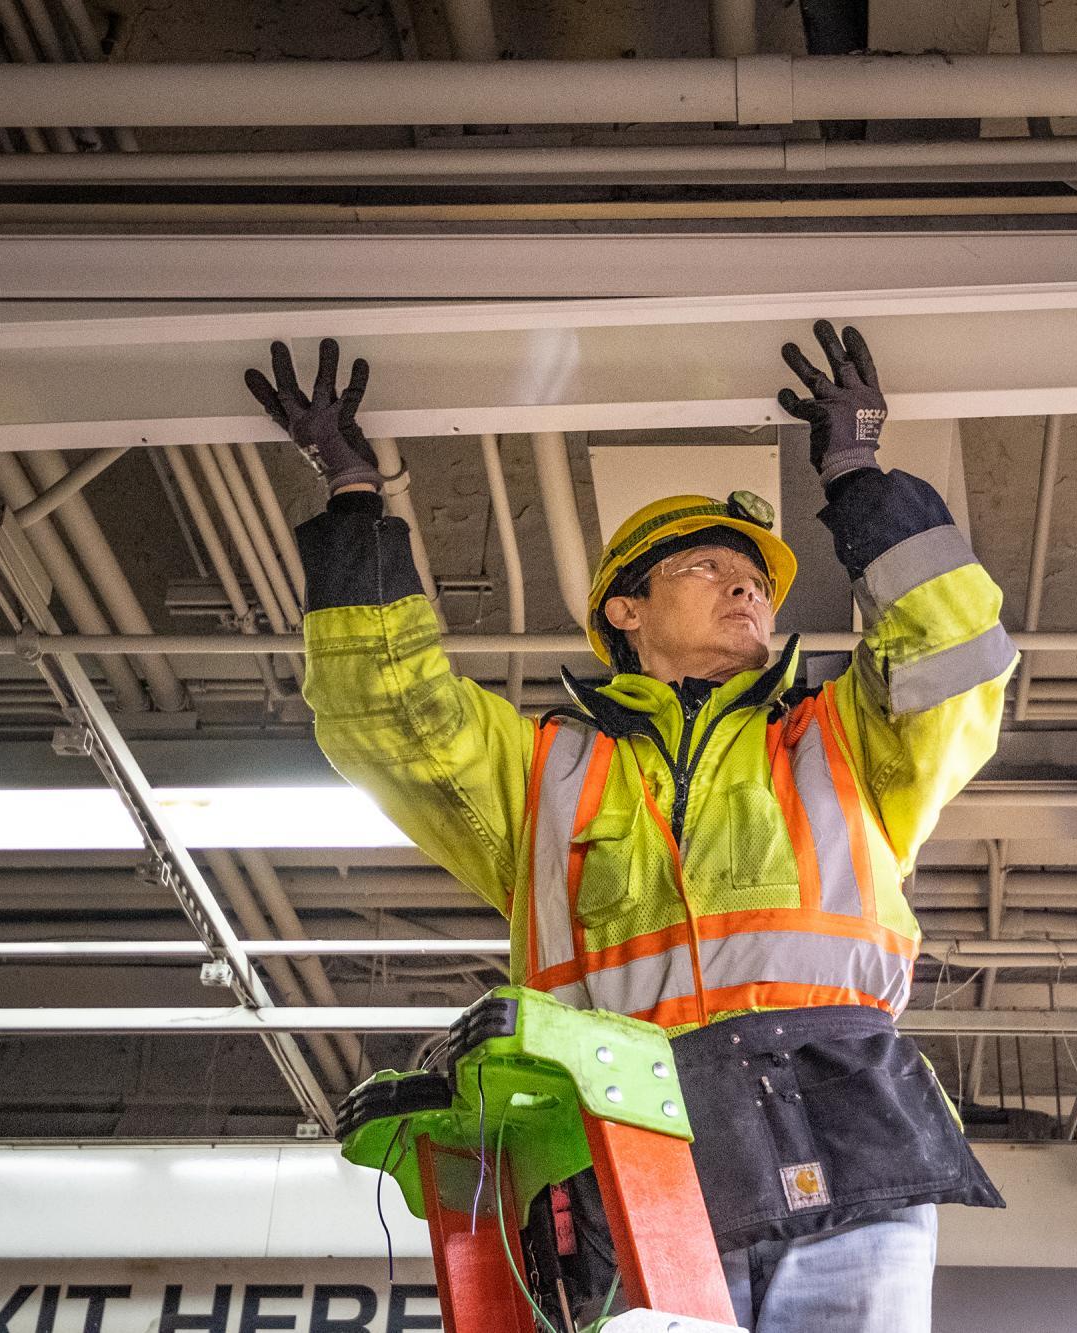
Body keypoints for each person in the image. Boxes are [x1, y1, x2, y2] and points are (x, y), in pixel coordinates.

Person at [248, 320, 1015, 1333]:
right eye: (705, 565)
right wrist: (354, 503)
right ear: (623, 610)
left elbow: (957, 650)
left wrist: (859, 475)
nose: (747, 585)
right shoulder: (541, 775)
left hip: (845, 1137)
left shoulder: (844, 739)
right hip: (628, 1157)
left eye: (756, 578)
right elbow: (389, 718)